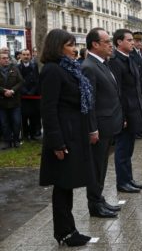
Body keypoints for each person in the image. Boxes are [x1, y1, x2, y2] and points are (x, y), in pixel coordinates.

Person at [39, 29, 93, 246]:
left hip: (73, 133)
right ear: (57, 46)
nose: (74, 49)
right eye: (70, 45)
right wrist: (57, 142)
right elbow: (48, 110)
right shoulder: (52, 70)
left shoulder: (69, 68)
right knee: (62, 185)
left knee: (67, 184)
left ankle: (69, 229)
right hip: (63, 136)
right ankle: (65, 233)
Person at [81, 28, 123, 218]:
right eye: (107, 41)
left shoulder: (103, 64)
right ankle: (94, 204)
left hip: (109, 124)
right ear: (95, 44)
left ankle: (99, 198)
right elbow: (89, 103)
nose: (110, 45)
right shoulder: (89, 66)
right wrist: (92, 129)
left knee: (102, 165)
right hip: (99, 126)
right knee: (96, 166)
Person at [108, 29, 142, 193]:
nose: (133, 42)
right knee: (122, 149)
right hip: (124, 111)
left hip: (134, 109)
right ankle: (122, 182)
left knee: (129, 147)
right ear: (119, 42)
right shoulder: (115, 61)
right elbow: (117, 92)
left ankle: (128, 178)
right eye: (129, 40)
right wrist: (122, 116)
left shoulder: (130, 58)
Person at [0, 52, 23, 149]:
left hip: (14, 101)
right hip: (2, 102)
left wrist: (12, 90)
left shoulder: (14, 68)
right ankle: (7, 141)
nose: (6, 60)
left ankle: (16, 140)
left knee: (17, 122)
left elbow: (21, 81)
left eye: (7, 58)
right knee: (4, 123)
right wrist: (3, 91)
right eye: (4, 58)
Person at [18, 49, 41, 141]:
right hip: (23, 96)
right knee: (24, 116)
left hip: (33, 96)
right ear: (21, 56)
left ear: (30, 56)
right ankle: (25, 134)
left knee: (33, 116)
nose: (26, 56)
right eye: (24, 54)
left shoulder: (34, 66)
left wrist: (32, 91)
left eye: (27, 54)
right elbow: (19, 81)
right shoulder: (18, 67)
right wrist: (24, 91)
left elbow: (37, 80)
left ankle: (33, 134)